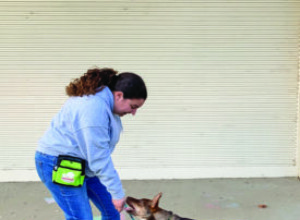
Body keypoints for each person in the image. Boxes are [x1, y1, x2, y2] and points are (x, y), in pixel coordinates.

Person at [35, 67, 147, 220]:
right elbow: (99, 157)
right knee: (81, 217)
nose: (133, 113)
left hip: (85, 162)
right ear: (119, 95)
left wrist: (116, 195)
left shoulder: (106, 104)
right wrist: (117, 194)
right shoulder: (93, 108)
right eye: (133, 107)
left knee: (113, 212)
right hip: (58, 163)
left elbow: (97, 156)